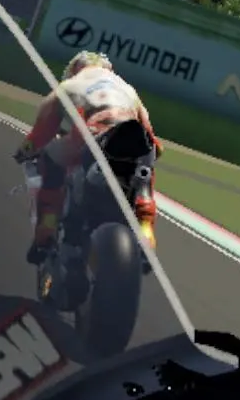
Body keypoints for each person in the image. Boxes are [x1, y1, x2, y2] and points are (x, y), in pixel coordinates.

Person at [17, 50, 159, 265]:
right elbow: (152, 139)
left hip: (94, 136)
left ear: (75, 69)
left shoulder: (67, 86)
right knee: (144, 176)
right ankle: (146, 230)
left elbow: (40, 136)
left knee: (49, 157)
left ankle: (47, 228)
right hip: (134, 139)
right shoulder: (127, 88)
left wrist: (23, 152)